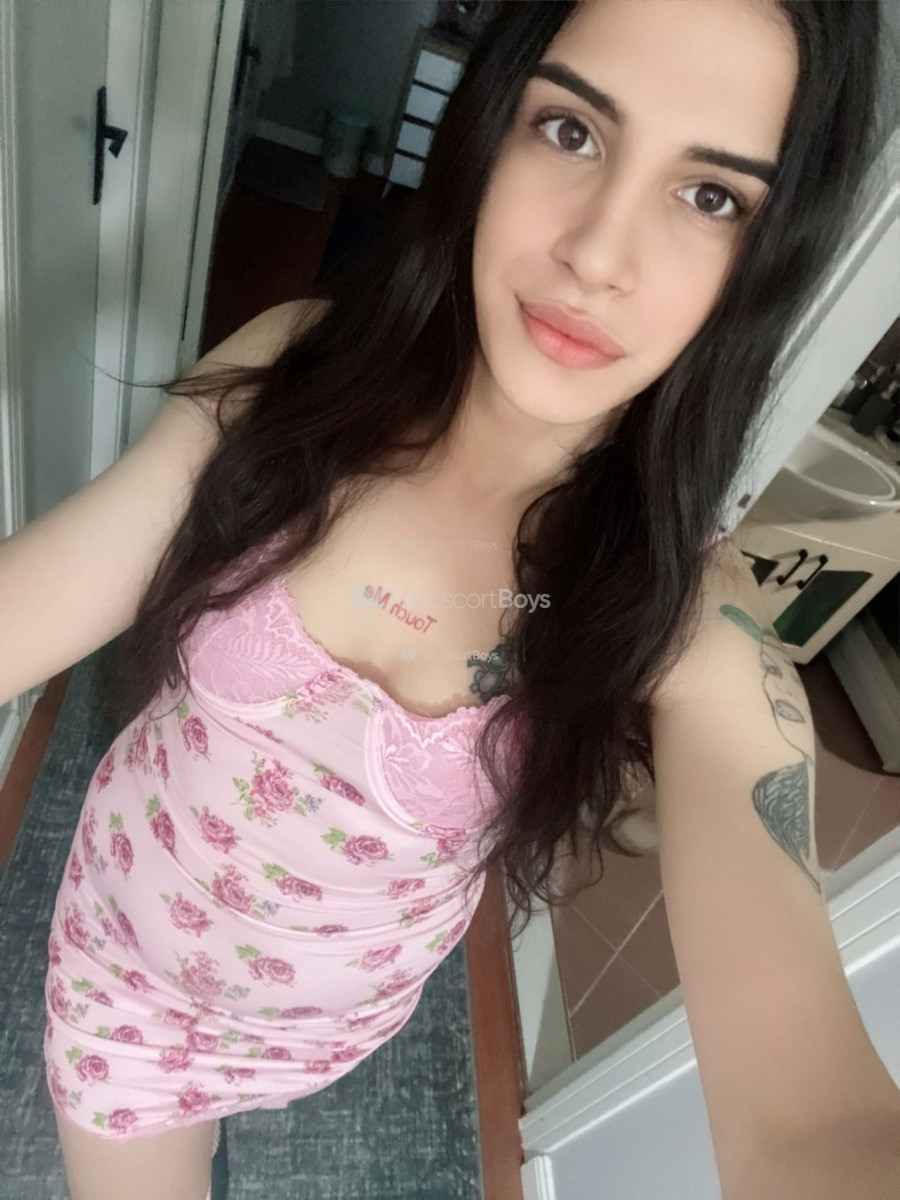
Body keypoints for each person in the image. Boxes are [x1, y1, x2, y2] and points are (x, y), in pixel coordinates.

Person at [1, 1, 897, 1197]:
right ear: (492, 127)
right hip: (123, 978)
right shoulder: (291, 378)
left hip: (330, 1028)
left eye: (710, 196)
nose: (598, 252)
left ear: (768, 258)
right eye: (573, 131)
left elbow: (807, 1122)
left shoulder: (681, 621)